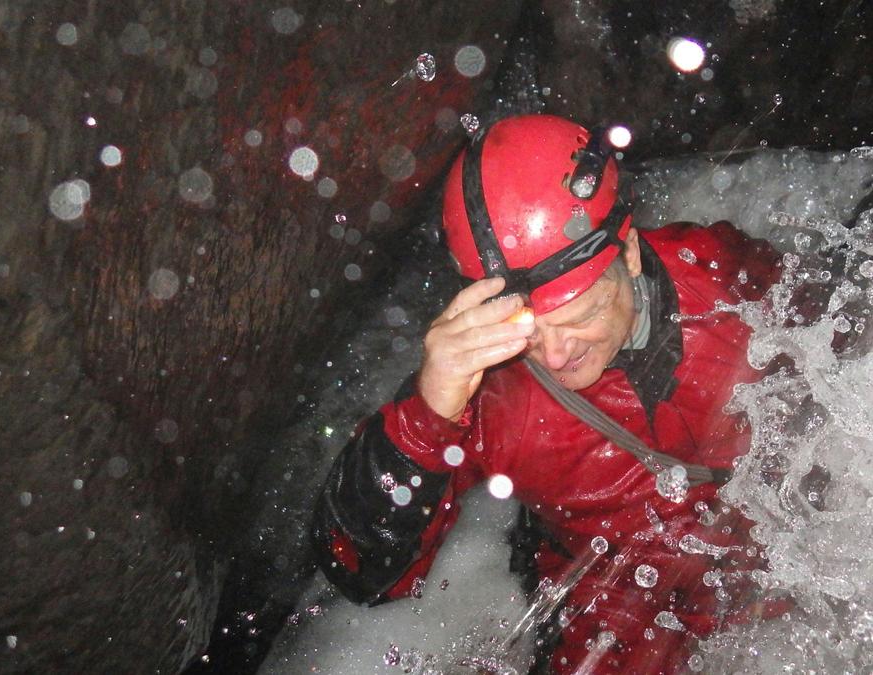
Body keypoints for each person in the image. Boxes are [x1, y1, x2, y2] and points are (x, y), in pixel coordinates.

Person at [311, 114, 814, 673]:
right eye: (527, 330)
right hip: (614, 600)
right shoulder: (488, 397)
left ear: (626, 252)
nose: (553, 356)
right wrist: (427, 414)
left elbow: (838, 337)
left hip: (774, 544)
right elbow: (365, 574)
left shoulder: (717, 277)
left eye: (578, 316)